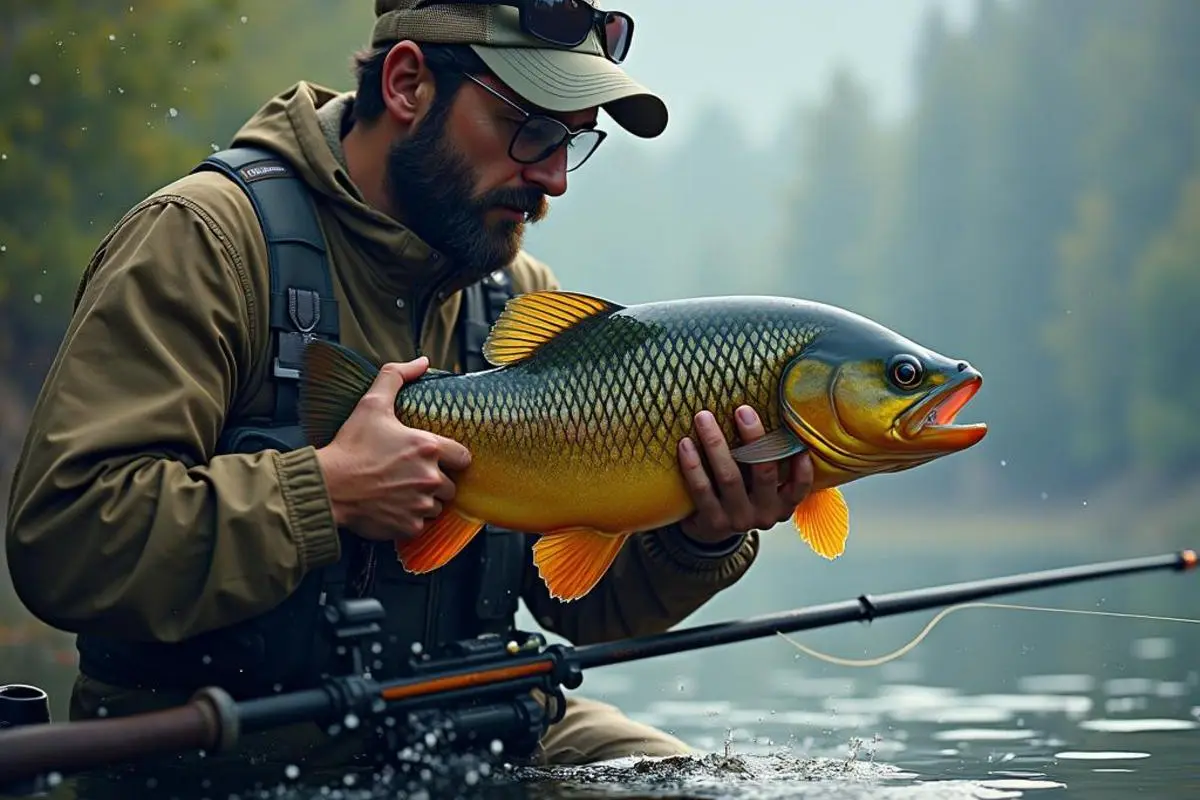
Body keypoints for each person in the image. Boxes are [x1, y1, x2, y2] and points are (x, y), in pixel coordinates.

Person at [4, 0, 813, 777]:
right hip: (221, 753)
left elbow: (579, 603)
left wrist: (699, 537)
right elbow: (64, 540)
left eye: (574, 142)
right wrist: (321, 493)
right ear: (406, 85)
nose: (555, 178)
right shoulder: (205, 243)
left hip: (471, 727)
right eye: (529, 129)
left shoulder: (517, 295)